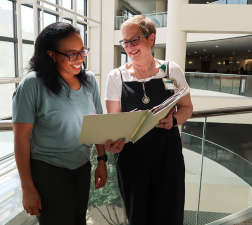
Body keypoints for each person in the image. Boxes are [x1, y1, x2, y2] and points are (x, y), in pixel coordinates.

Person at [12, 22, 125, 225]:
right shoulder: (33, 84)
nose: (80, 59)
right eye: (72, 54)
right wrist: (27, 187)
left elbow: (97, 123)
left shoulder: (89, 79)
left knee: (78, 221)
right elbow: (21, 138)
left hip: (81, 166)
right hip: (48, 171)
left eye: (82, 51)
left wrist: (101, 160)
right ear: (51, 54)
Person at [105, 15, 193, 224]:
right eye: (125, 42)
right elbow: (113, 121)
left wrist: (173, 121)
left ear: (151, 39)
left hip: (167, 154)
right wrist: (112, 140)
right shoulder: (116, 77)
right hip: (131, 156)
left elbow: (187, 107)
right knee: (138, 216)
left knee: (169, 212)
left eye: (134, 40)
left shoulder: (171, 70)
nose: (129, 47)